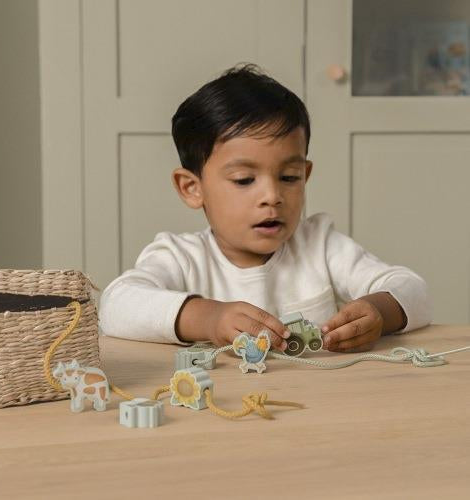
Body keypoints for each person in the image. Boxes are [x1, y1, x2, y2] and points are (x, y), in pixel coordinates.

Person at [99, 64, 431, 353]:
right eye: (244, 180)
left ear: (305, 176)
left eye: (289, 177)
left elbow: (413, 289)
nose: (272, 196)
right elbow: (115, 305)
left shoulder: (320, 245)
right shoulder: (181, 257)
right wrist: (208, 318)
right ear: (192, 188)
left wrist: (380, 311)